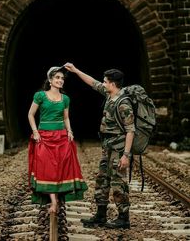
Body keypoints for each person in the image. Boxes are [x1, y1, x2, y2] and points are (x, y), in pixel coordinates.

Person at [64, 62, 135, 229]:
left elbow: (131, 130)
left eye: (105, 81)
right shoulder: (109, 94)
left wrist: (126, 155)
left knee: (118, 182)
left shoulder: (123, 103)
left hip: (118, 147)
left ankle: (124, 218)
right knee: (102, 180)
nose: (103, 83)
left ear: (112, 83)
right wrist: (75, 70)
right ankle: (100, 215)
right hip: (107, 146)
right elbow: (92, 82)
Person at [28, 66, 88, 214]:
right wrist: (35, 132)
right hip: (44, 137)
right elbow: (30, 114)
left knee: (62, 167)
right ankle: (54, 202)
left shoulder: (65, 98)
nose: (60, 80)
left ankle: (59, 197)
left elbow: (66, 117)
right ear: (50, 80)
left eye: (62, 78)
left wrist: (70, 131)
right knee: (47, 168)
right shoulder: (40, 96)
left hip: (61, 136)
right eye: (57, 78)